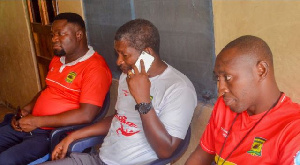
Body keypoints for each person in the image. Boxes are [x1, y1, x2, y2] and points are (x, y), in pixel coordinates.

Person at [41, 18, 197, 165]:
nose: (118, 61)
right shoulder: (127, 76)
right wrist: (74, 136)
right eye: (118, 54)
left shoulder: (178, 88)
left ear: (147, 53)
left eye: (125, 55)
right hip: (99, 160)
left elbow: (166, 150)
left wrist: (143, 101)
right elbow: (120, 117)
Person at [0, 12, 112, 164]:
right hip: (30, 125)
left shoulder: (95, 68)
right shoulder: (58, 60)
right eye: (53, 34)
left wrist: (38, 122)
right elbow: (48, 89)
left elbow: (86, 115)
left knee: (5, 160)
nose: (53, 39)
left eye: (60, 34)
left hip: (53, 135)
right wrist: (27, 109)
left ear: (79, 35)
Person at [186, 35, 300, 165]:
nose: (221, 89)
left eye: (228, 77)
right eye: (218, 79)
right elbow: (200, 158)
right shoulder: (224, 106)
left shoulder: (293, 130)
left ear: (261, 70)